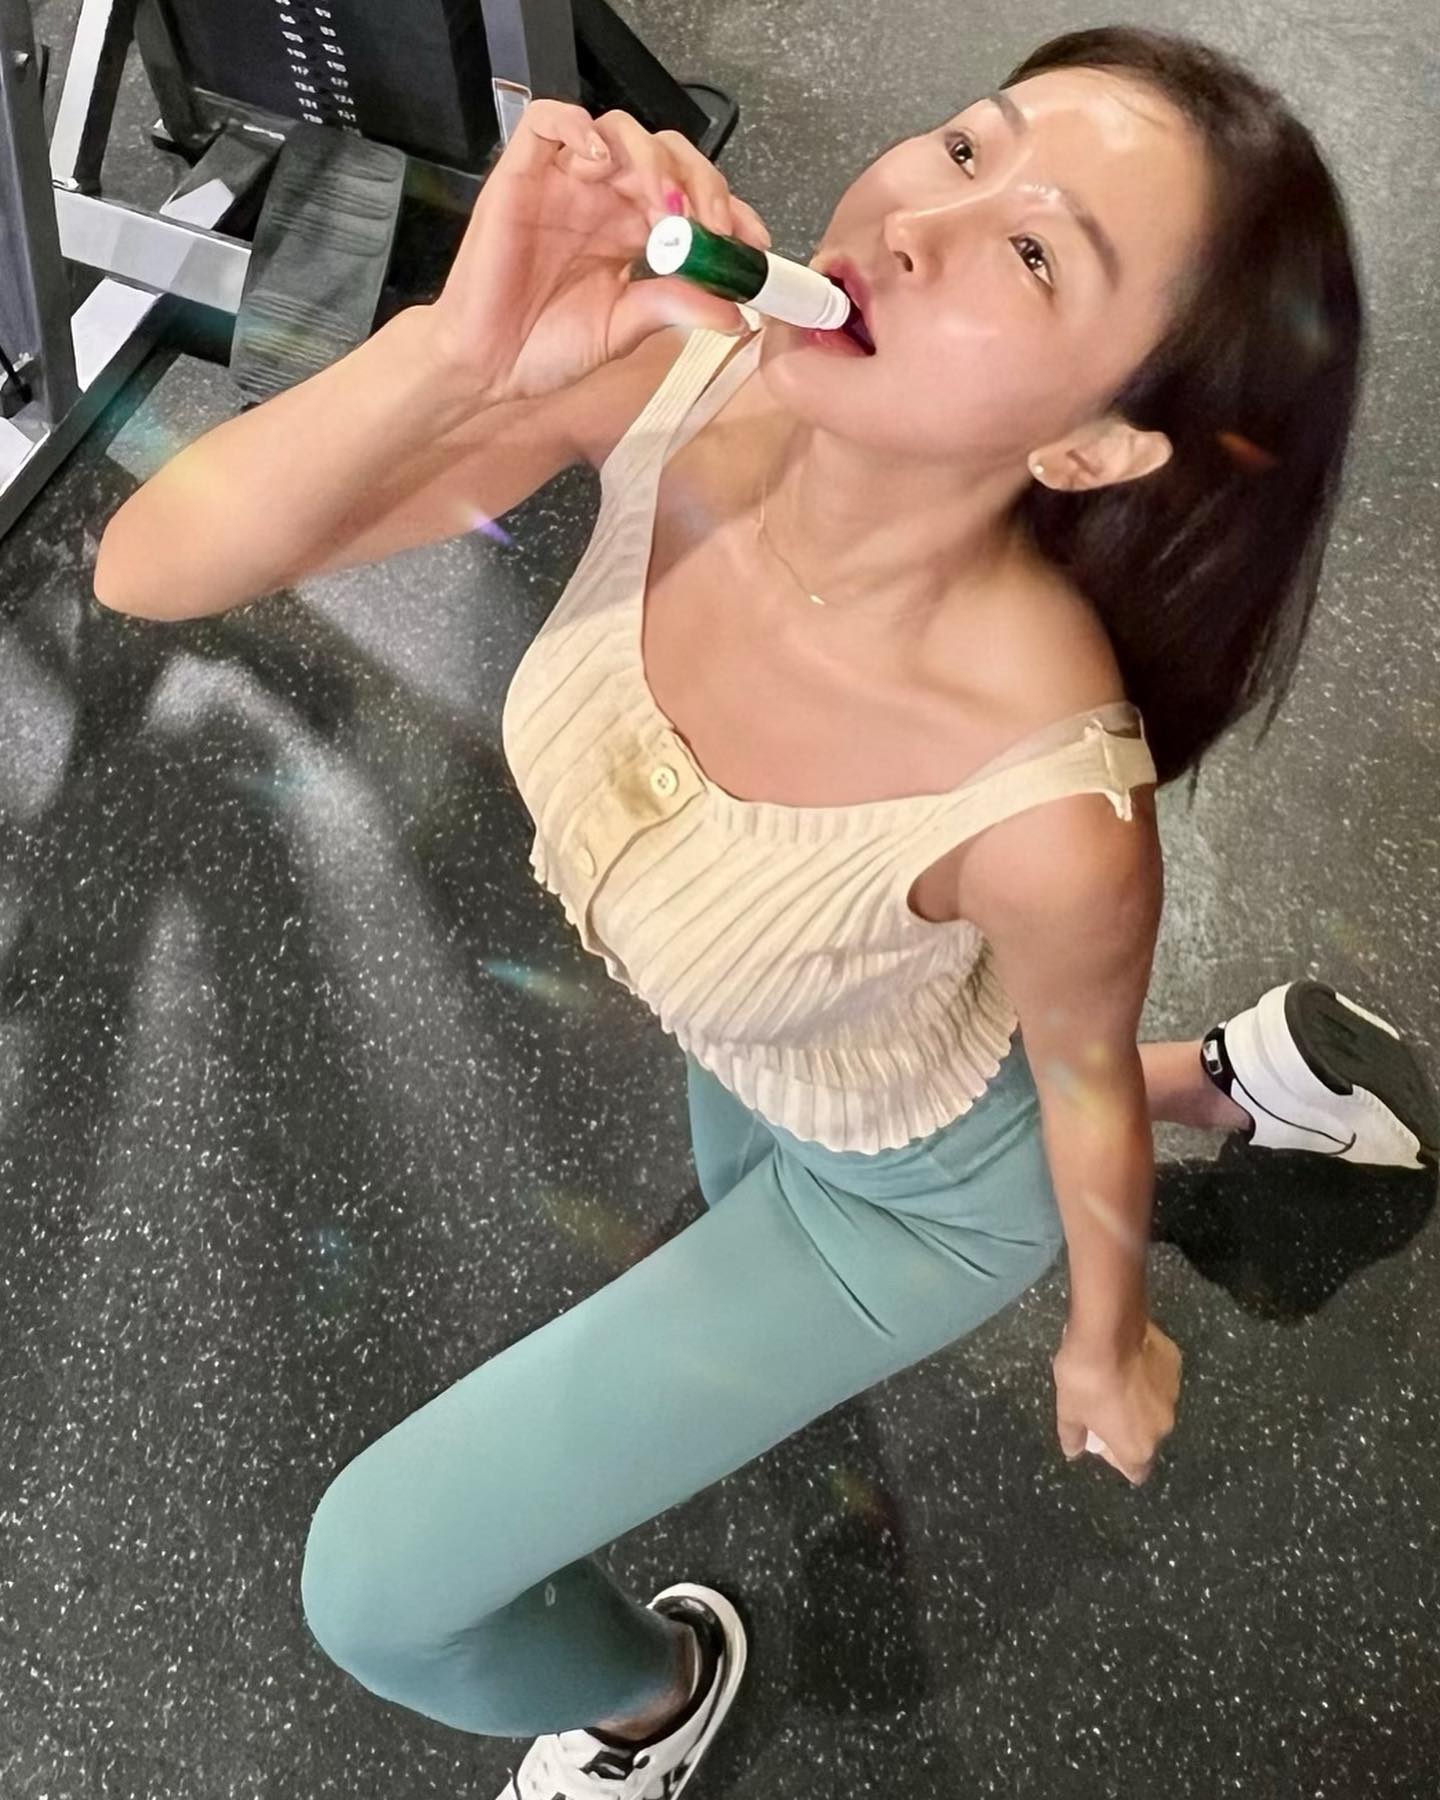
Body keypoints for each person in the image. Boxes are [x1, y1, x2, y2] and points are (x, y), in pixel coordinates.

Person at [93, 24, 1437, 1800]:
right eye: (967, 146)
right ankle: (1236, 1074)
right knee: (853, 1066)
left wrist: (1110, 1339)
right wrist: (458, 350)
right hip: (789, 1038)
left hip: (912, 1207)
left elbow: (1073, 1084)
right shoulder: (678, 387)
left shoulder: (1054, 809)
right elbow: (151, 567)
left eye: (1036, 254)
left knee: (381, 1588)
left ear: (1099, 448)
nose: (915, 222)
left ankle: (656, 1698)